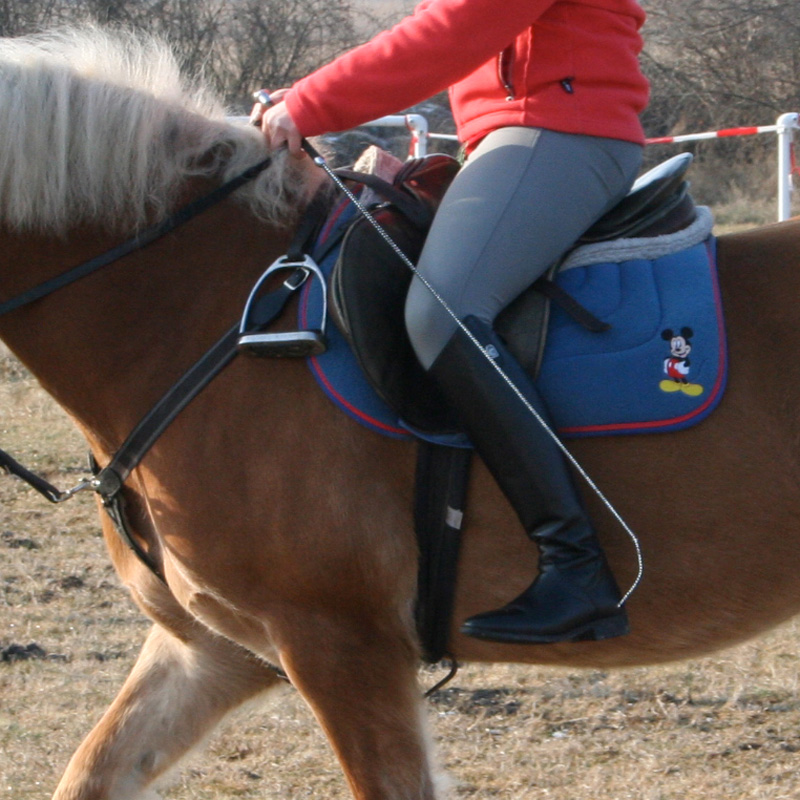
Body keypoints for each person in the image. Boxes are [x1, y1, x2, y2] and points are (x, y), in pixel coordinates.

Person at [252, 0, 649, 645]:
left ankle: (576, 565)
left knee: (443, 311)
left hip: (561, 131)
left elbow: (455, 31)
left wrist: (312, 103)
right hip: (513, 135)